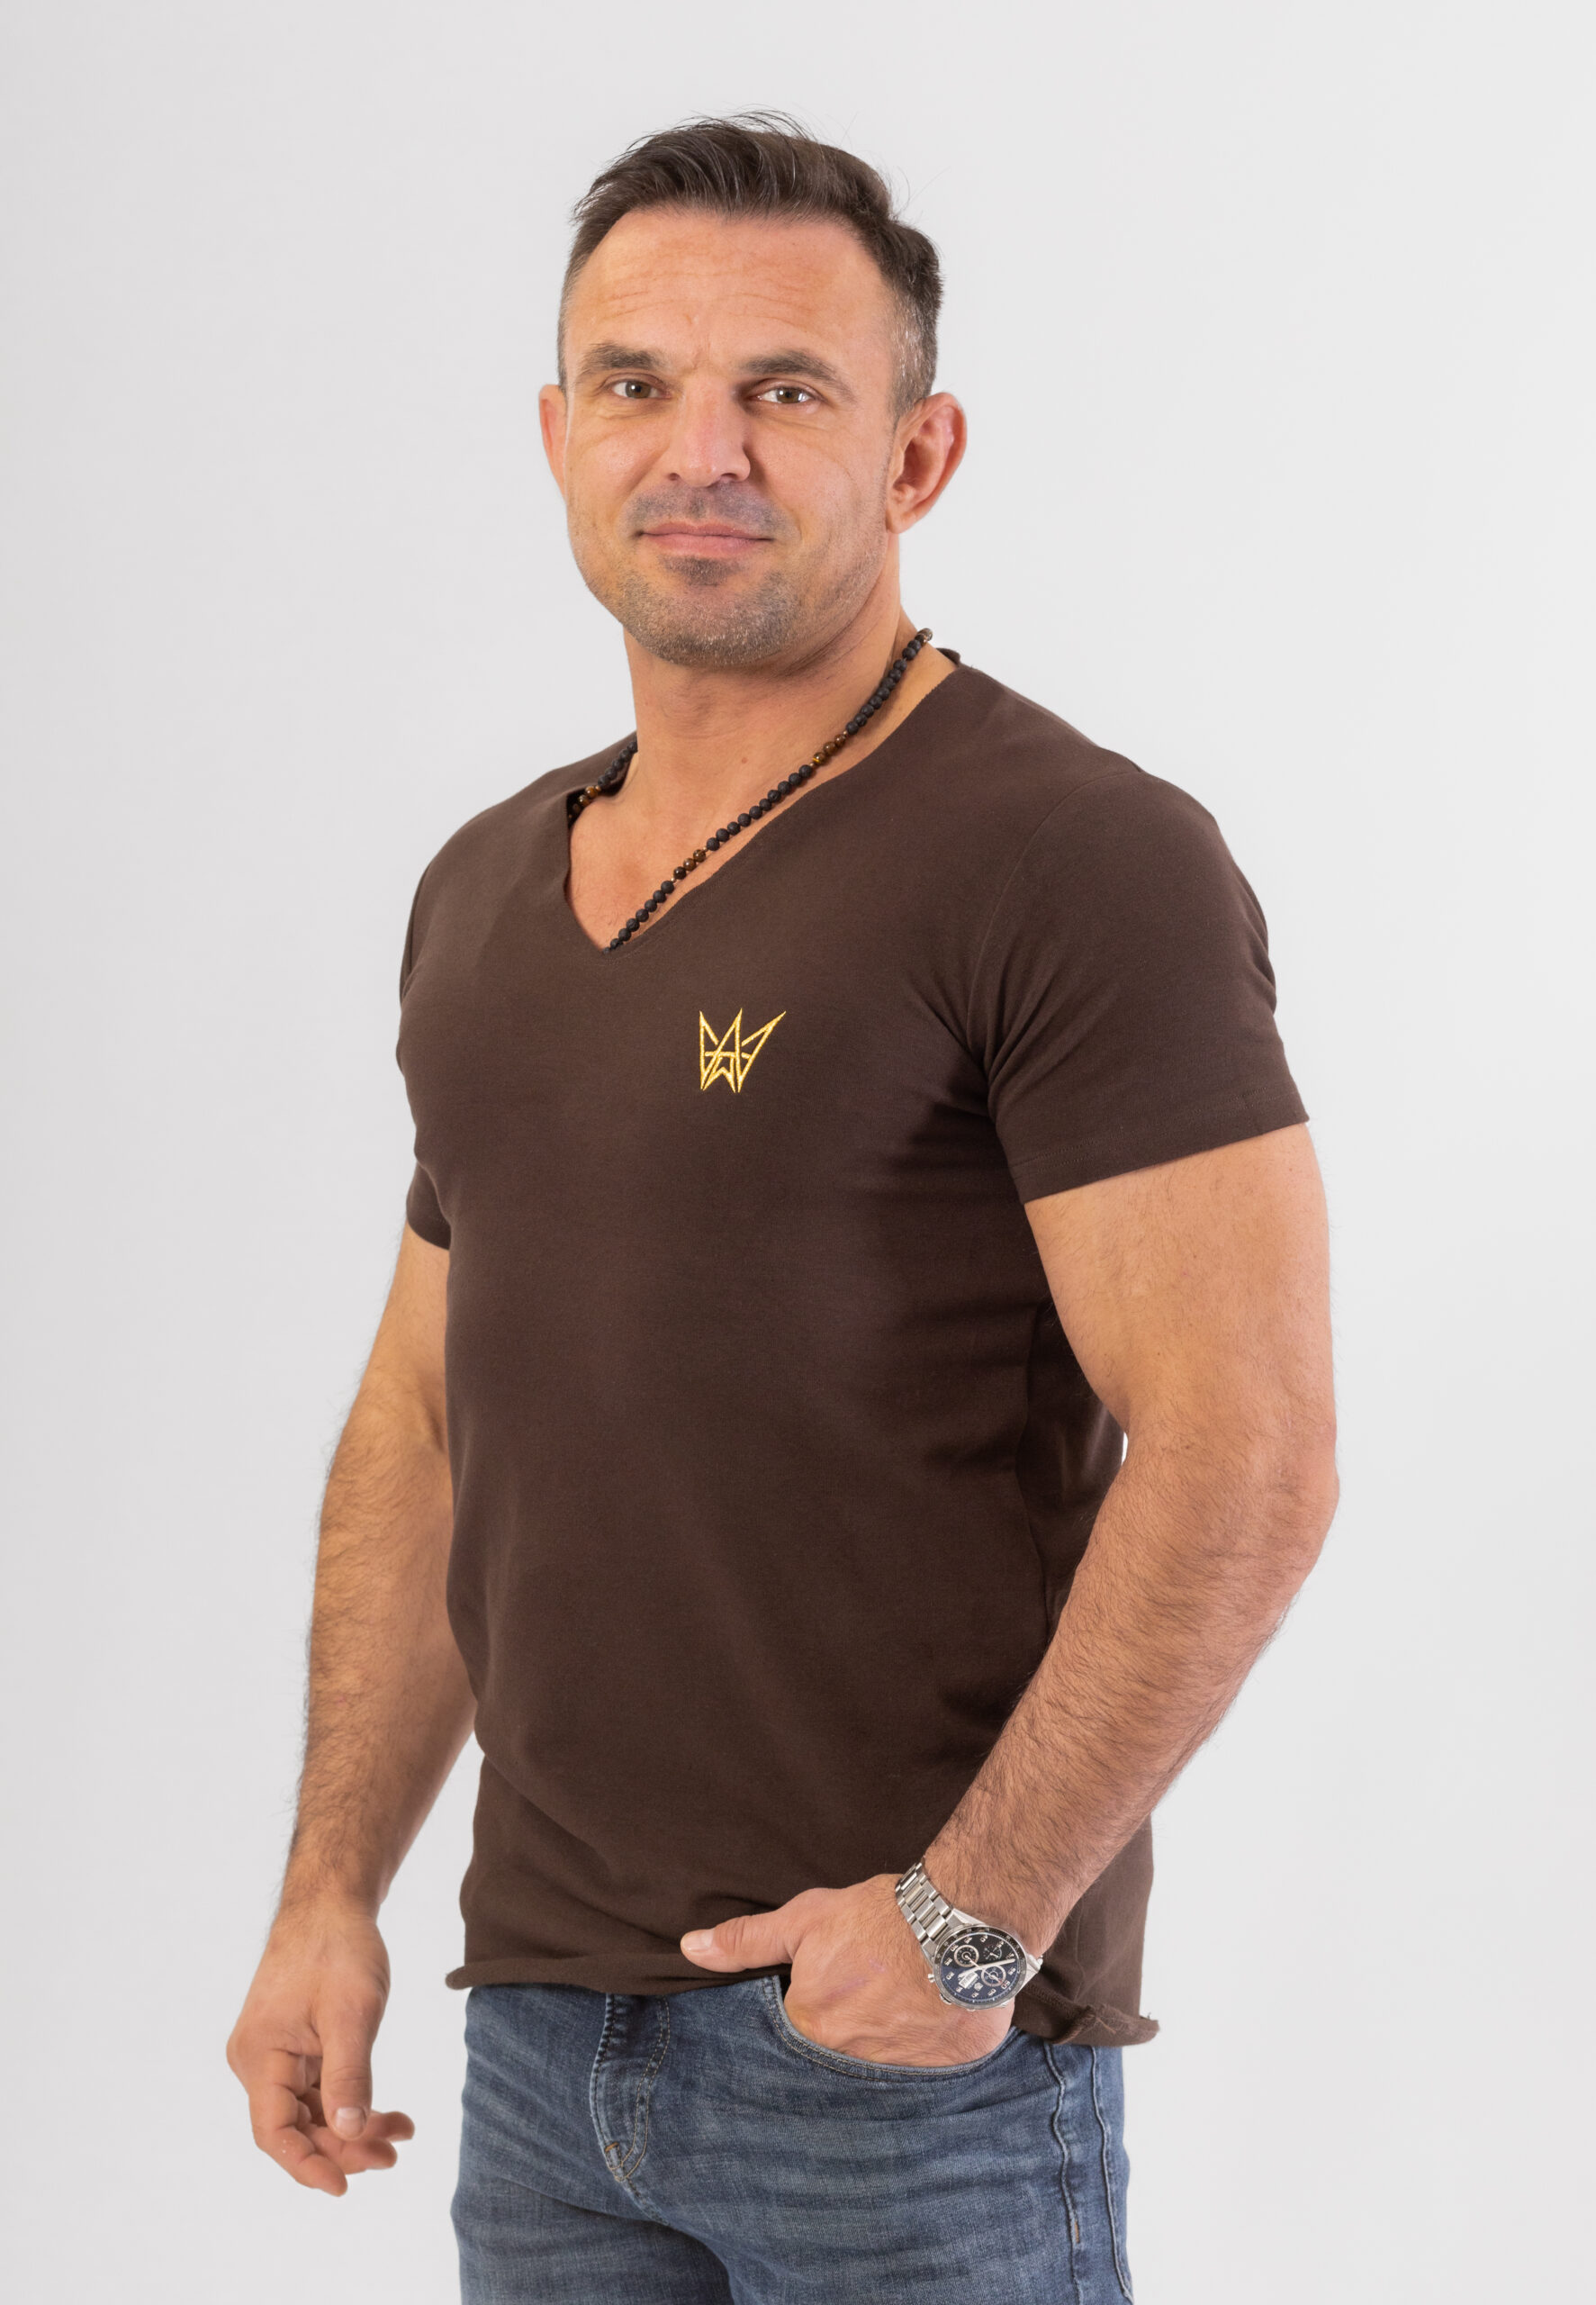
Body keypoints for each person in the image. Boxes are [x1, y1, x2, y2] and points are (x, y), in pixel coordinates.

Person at [227, 114, 1337, 2303]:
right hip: (540, 2041)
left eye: (784, 390)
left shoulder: (1072, 857)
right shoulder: (484, 890)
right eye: (635, 384)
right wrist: (329, 1886)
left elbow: (1251, 1445)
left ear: (915, 455)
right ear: (558, 435)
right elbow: (427, 1421)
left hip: (905, 2070)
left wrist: (965, 1922)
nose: (699, 449)